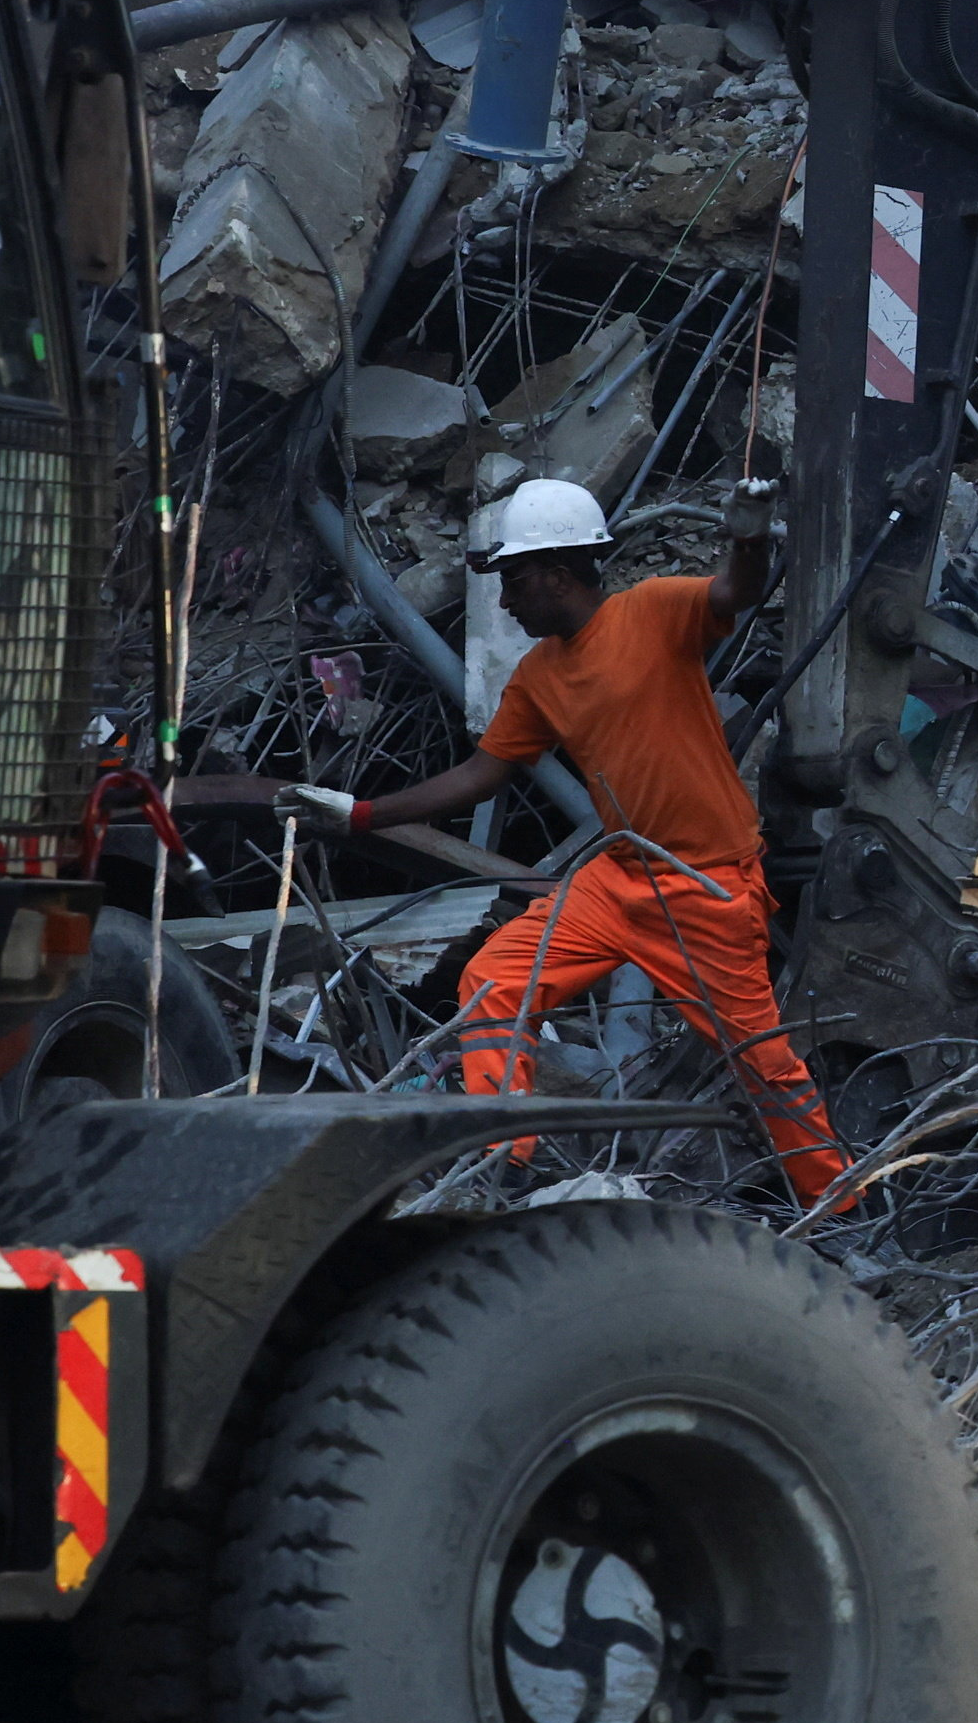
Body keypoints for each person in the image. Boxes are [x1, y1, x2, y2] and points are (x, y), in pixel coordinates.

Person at [193, 478, 848, 1204]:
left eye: (514, 580)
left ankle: (840, 1201)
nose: (504, 601)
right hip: (620, 877)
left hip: (704, 883)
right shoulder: (539, 676)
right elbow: (481, 774)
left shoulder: (655, 610)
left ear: (559, 575)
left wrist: (749, 536)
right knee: (494, 979)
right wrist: (360, 814)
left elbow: (736, 592)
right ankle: (503, 1162)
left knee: (761, 1062)